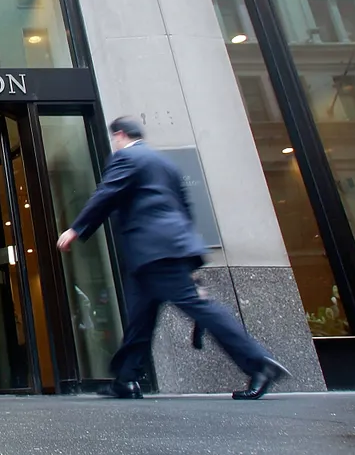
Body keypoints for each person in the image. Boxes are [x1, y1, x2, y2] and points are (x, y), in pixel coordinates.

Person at [57, 117, 290, 400]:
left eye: (114, 138)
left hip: (153, 251)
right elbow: (184, 208)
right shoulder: (165, 164)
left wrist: (76, 228)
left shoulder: (128, 157)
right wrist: (186, 253)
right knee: (140, 317)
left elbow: (107, 193)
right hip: (167, 249)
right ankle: (127, 379)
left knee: (200, 308)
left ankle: (259, 363)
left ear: (119, 135)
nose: (114, 144)